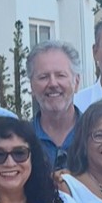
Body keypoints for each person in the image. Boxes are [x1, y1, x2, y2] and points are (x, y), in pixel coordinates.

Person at [28, 40, 82, 170]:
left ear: (76, 82)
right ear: (31, 86)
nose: (53, 83)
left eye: (60, 75)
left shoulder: (95, 135)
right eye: (43, 77)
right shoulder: (22, 140)